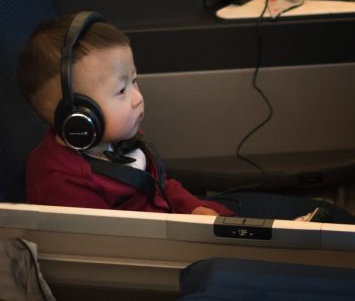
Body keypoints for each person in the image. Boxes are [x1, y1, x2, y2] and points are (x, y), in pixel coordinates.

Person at [18, 11, 231, 216]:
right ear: (77, 114)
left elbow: (160, 185)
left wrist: (192, 208)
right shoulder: (63, 183)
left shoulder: (120, 140)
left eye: (134, 80)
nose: (138, 98)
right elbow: (112, 237)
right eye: (121, 90)